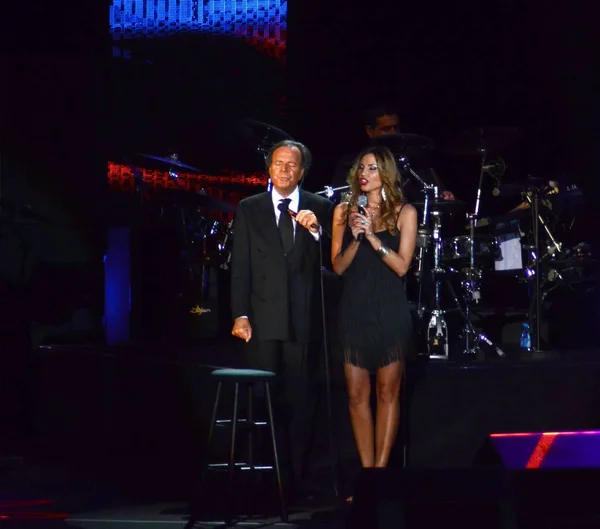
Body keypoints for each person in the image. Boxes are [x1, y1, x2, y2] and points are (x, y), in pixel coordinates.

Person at [230, 140, 335, 501]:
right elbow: (240, 265)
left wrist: (317, 233)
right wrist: (240, 314)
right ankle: (261, 481)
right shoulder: (249, 208)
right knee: (263, 401)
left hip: (304, 321)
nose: (285, 170)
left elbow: (335, 264)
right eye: (279, 164)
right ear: (269, 169)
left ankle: (294, 483)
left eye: (292, 165)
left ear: (302, 172)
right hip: (262, 320)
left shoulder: (321, 208)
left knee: (301, 402)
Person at [331, 146, 418, 494]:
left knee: (386, 392)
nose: (364, 173)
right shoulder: (343, 211)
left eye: (372, 167)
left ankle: (381, 477)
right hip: (354, 309)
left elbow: (401, 266)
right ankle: (367, 476)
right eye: (361, 166)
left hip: (389, 311)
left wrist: (372, 237)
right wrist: (355, 238)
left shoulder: (404, 212)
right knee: (356, 395)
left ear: (386, 174)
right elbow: (337, 266)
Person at [331, 105, 455, 203]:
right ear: (370, 131)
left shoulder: (413, 163)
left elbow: (435, 196)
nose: (393, 133)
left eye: (396, 127)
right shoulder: (351, 163)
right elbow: (342, 198)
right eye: (386, 129)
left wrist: (443, 196)